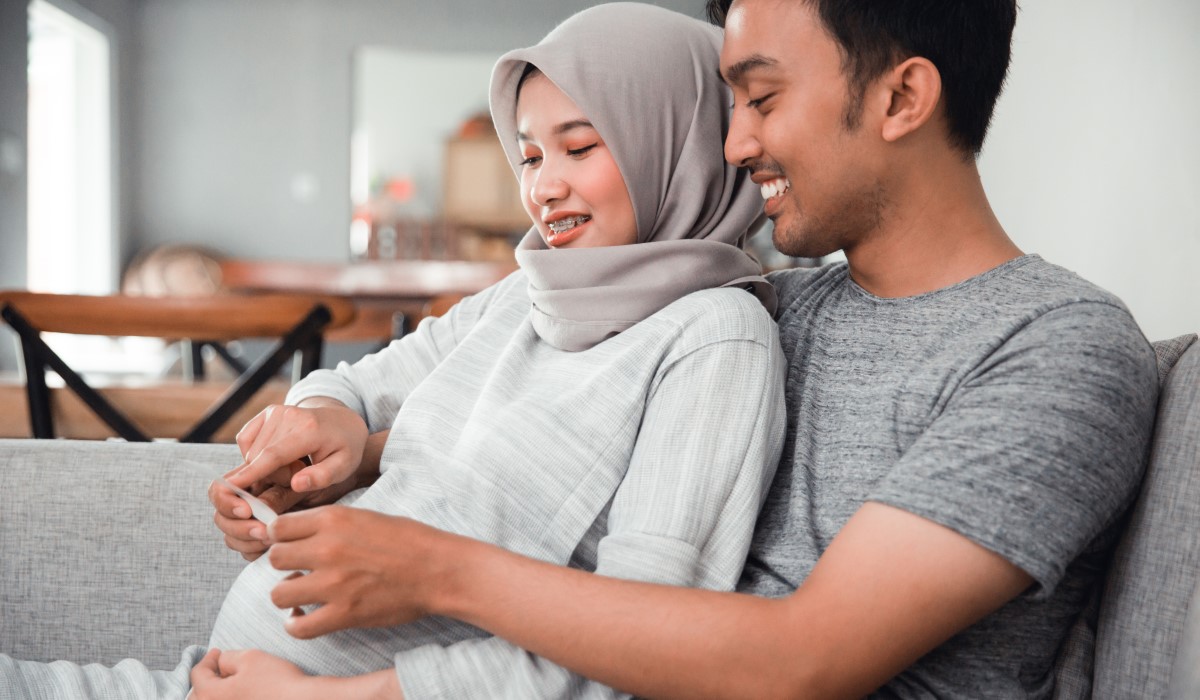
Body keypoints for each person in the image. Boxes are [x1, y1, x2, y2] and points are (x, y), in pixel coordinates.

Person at [226, 0, 1163, 698]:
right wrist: (342, 451)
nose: (730, 141)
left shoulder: (1054, 348)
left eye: (759, 98)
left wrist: (426, 572)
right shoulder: (749, 306)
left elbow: (805, 661)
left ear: (903, 97)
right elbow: (544, 437)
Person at [0, 4, 791, 700]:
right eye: (531, 154)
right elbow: (354, 385)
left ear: (678, 144)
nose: (542, 187)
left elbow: (650, 649)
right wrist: (307, 439)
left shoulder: (714, 337)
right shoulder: (529, 293)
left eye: (579, 147)